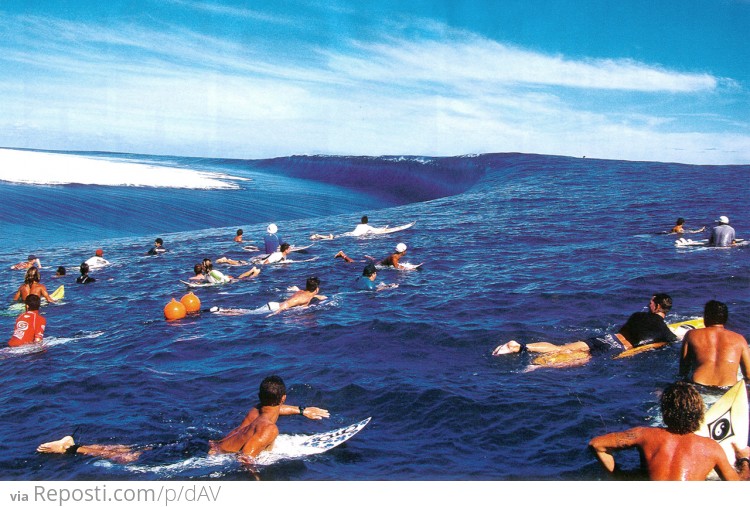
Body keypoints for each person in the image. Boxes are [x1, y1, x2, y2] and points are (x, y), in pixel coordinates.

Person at [36, 376, 330, 463]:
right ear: (281, 399)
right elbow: (246, 458)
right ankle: (72, 448)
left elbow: (273, 411)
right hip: (204, 453)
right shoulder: (269, 429)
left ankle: (74, 446)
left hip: (203, 443)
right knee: (132, 458)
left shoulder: (256, 411)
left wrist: (303, 410)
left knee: (135, 451)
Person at [589, 381, 747, 480]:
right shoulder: (712, 448)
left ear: (665, 412)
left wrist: (619, 475)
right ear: (699, 413)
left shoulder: (643, 435)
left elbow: (597, 445)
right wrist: (744, 461)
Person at [492, 294, 678, 357]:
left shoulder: (638, 315)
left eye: (651, 303)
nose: (649, 304)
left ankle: (521, 347)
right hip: (617, 347)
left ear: (658, 306)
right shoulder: (663, 329)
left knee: (561, 348)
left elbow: (625, 330)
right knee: (577, 359)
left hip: (608, 338)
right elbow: (669, 341)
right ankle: (539, 366)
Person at [679, 300, 750, 388]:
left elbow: (683, 370)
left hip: (699, 386)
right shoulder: (740, 339)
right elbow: (748, 375)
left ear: (706, 316)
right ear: (725, 318)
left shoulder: (691, 334)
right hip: (728, 389)